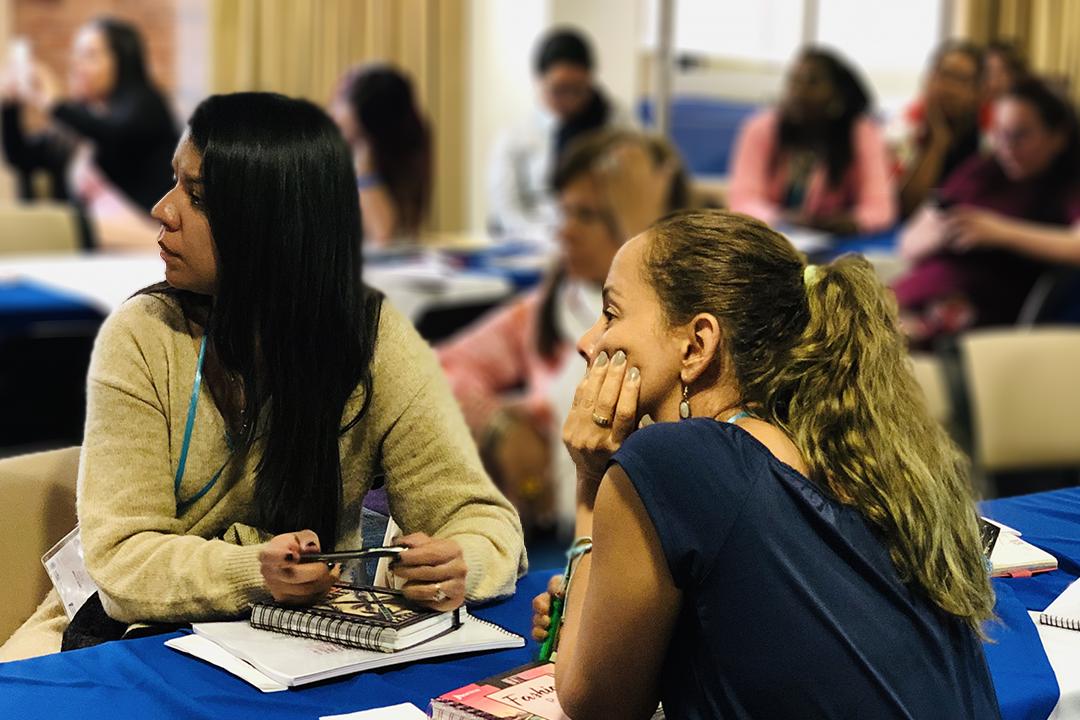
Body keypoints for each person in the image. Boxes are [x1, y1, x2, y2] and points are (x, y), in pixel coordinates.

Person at [0, 92, 525, 662]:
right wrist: (256, 572)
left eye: (197, 197)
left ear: (270, 224)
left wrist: (462, 561)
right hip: (128, 636)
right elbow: (121, 563)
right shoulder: (143, 336)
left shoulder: (371, 339)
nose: (162, 210)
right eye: (174, 183)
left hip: (299, 647)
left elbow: (481, 520)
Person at [530, 210, 999, 719]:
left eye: (611, 313)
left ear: (696, 345)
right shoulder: (846, 449)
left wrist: (590, 481)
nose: (587, 341)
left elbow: (597, 706)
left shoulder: (671, 462)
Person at [440, 129, 688, 535]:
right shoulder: (550, 307)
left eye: (586, 215)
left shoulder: (680, 320)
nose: (565, 232)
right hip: (555, 532)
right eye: (565, 213)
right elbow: (440, 370)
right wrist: (499, 424)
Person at [894, 78, 1080, 344]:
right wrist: (945, 233)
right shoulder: (981, 170)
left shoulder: (1068, 184)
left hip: (976, 312)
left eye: (1020, 135)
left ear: (1058, 137)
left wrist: (999, 232)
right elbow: (907, 244)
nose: (1006, 146)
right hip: (916, 292)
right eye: (999, 134)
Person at [1, 18, 178, 218]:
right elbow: (21, 156)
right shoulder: (80, 117)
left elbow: (113, 134)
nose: (76, 64)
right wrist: (10, 106)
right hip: (91, 233)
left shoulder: (147, 106)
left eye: (89, 55)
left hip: (148, 229)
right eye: (76, 55)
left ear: (122, 60)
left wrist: (55, 105)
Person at [487, 27, 635, 244]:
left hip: (601, 239)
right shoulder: (515, 136)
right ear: (539, 81)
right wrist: (543, 237)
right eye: (559, 90)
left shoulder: (616, 124)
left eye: (578, 89)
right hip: (534, 241)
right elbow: (506, 210)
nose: (570, 100)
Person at [728, 47, 896, 235]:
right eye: (794, 80)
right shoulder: (761, 128)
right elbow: (743, 199)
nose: (798, 91)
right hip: (771, 237)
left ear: (838, 94)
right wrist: (781, 219)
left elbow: (880, 207)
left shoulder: (862, 132)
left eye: (812, 82)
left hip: (835, 241)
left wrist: (851, 222)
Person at [330, 64, 432, 246]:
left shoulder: (398, 155)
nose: (331, 109)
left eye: (340, 99)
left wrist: (364, 164)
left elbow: (383, 235)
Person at [890, 41, 986, 218]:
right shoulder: (906, 128)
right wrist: (938, 142)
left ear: (977, 92)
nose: (949, 89)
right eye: (944, 76)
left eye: (961, 80)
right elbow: (907, 208)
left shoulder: (988, 137)